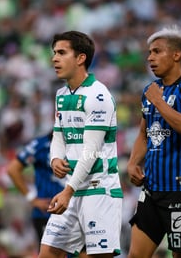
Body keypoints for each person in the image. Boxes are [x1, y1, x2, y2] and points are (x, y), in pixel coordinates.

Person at [39, 30, 123, 258]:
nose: (54, 58)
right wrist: (55, 158)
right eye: (54, 53)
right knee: (47, 253)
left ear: (80, 58)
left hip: (98, 190)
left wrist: (68, 190)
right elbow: (59, 133)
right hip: (72, 190)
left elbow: (92, 151)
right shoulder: (61, 94)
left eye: (61, 52)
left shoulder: (98, 96)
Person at [126, 25, 181, 258]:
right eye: (149, 52)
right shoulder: (150, 91)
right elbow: (144, 133)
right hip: (151, 190)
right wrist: (133, 162)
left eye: (157, 51)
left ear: (176, 55)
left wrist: (160, 103)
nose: (150, 57)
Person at [7, 130, 64, 242]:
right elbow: (13, 170)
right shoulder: (40, 145)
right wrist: (32, 199)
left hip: (73, 210)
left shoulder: (77, 143)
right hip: (47, 212)